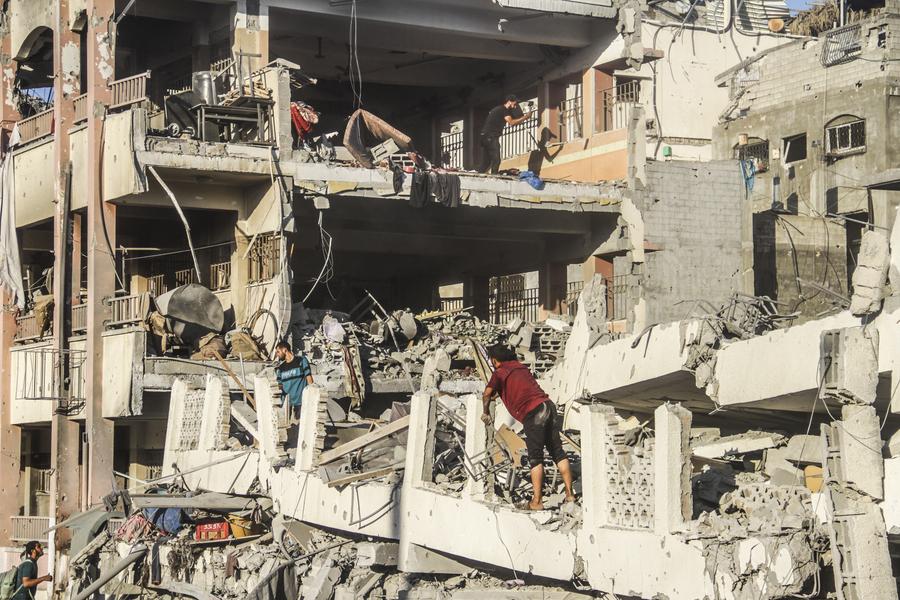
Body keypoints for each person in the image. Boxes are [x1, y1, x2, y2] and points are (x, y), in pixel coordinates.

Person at [481, 344, 575, 510]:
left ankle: (537, 502)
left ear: (494, 360)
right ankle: (570, 496)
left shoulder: (500, 372)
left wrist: (486, 412)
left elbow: (487, 393)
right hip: (548, 406)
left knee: (535, 458)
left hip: (534, 413)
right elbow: (513, 389)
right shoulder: (520, 367)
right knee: (558, 452)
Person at [477, 95, 528, 174]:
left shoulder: (499, 109)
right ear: (509, 101)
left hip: (484, 137)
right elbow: (511, 122)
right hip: (490, 136)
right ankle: (494, 177)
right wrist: (526, 117)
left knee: (486, 161)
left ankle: (480, 175)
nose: (516, 106)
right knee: (496, 159)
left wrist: (521, 117)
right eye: (515, 103)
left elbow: (514, 119)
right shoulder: (504, 110)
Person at [274, 341, 313, 421]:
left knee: (300, 425)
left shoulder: (301, 360)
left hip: (300, 403)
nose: (277, 354)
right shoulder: (281, 368)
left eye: (278, 352)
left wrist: (312, 396)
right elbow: (279, 386)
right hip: (286, 404)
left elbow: (309, 378)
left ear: (285, 350)